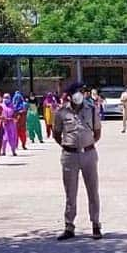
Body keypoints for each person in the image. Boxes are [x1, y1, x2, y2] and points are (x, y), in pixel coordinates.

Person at [53, 82, 102, 240]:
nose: (79, 95)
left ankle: (95, 224)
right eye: (76, 92)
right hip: (69, 156)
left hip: (88, 153)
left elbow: (97, 132)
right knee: (70, 192)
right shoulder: (61, 112)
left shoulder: (92, 109)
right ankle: (69, 226)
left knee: (93, 191)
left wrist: (87, 144)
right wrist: (68, 146)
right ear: (70, 95)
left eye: (82, 91)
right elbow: (56, 134)